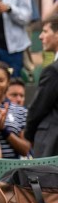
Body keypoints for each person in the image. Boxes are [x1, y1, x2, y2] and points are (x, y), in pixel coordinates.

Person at [25, 18, 58, 158]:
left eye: (45, 31)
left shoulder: (53, 71)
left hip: (53, 144)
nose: (40, 36)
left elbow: (38, 109)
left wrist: (28, 134)